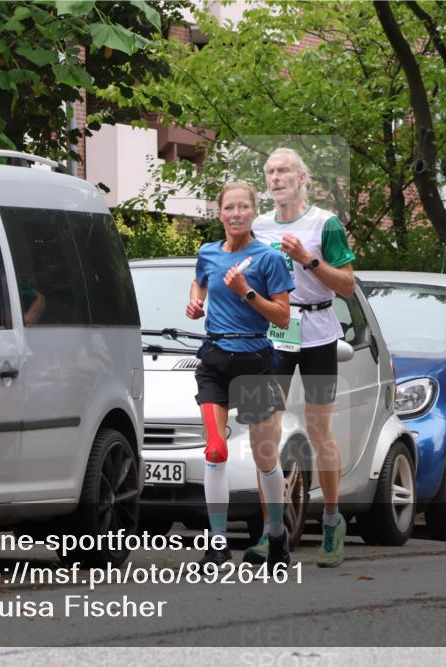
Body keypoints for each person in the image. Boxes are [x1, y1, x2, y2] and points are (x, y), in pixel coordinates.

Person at [248, 147, 357, 568]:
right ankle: (271, 532)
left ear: (302, 177)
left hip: (317, 334)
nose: (276, 178)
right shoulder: (257, 226)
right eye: (270, 171)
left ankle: (331, 520)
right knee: (264, 434)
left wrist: (307, 260)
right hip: (274, 333)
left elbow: (346, 286)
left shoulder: (324, 224)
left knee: (318, 430)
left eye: (284, 171)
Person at [186, 182, 295, 568]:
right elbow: (200, 279)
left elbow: (282, 316)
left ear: (253, 212)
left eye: (243, 207)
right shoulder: (208, 253)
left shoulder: (268, 259)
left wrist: (246, 291)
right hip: (215, 356)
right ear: (220, 214)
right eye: (229, 208)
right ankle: (217, 544)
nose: (235, 214)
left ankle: (277, 535)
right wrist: (196, 302)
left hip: (254, 358)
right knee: (215, 451)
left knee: (266, 457)